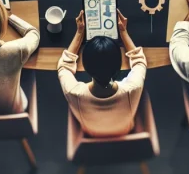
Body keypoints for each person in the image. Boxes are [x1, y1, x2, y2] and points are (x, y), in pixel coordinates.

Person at [58, 9, 146, 138]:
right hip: (125, 133)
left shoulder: (73, 92)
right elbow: (139, 61)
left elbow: (64, 67)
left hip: (90, 134)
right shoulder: (133, 88)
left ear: (86, 67)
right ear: (119, 65)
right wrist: (123, 31)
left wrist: (79, 32)